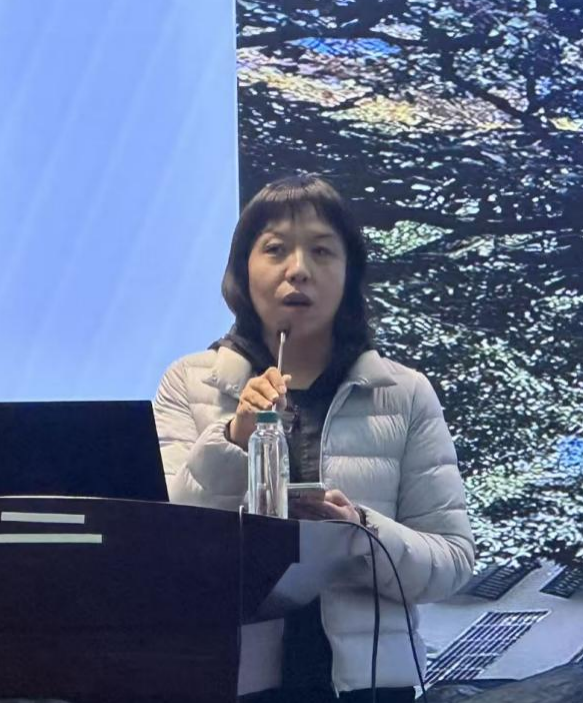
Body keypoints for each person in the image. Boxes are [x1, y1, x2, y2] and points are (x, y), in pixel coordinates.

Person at [154, 174, 474, 702]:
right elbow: (162, 548)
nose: (298, 270)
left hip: (369, 688)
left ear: (350, 274)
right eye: (275, 249)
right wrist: (234, 438)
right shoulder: (190, 384)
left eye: (322, 251)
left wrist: (361, 532)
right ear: (241, 269)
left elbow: (452, 562)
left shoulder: (404, 393)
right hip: (228, 681)